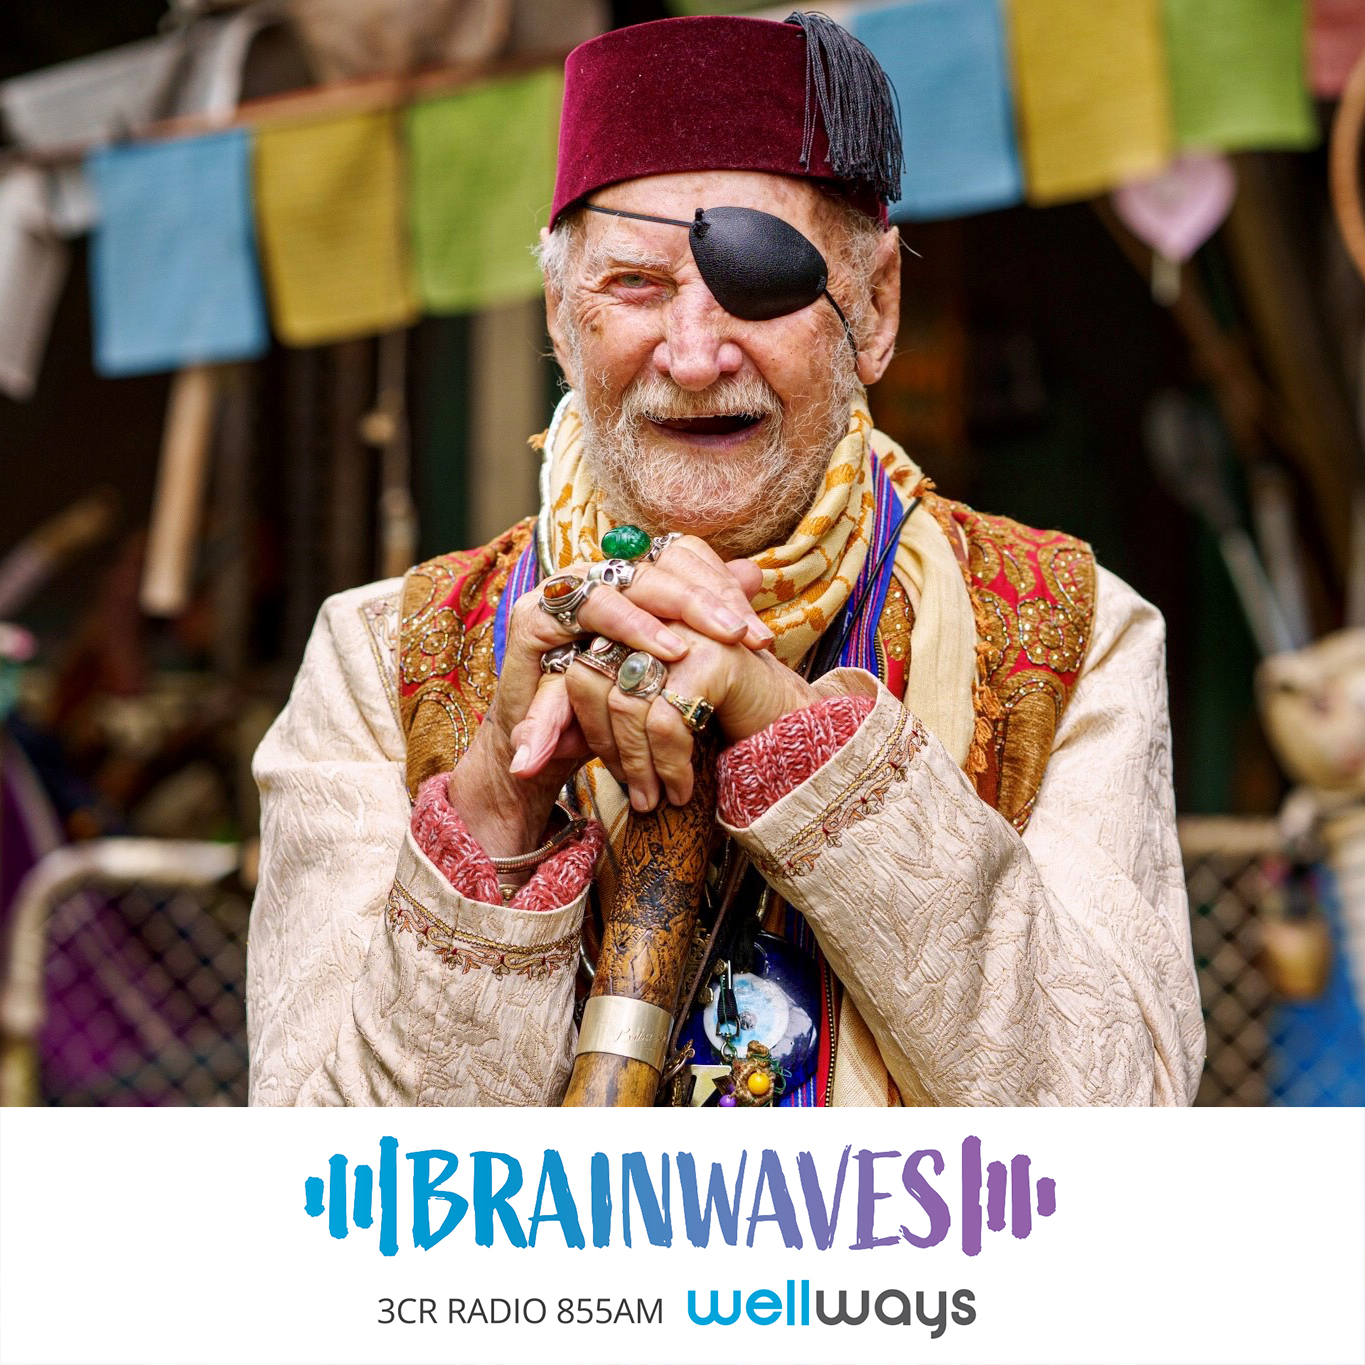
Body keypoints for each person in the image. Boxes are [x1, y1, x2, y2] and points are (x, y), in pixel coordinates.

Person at [247, 13, 1205, 1108]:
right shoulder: (379, 657)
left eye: (757, 284)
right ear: (561, 318)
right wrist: (498, 806)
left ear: (876, 308)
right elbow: (329, 1195)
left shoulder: (1066, 628)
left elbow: (1120, 1129)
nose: (694, 358)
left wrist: (790, 727)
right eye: (636, 288)